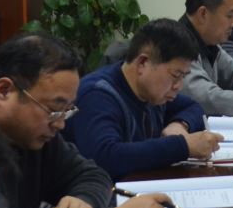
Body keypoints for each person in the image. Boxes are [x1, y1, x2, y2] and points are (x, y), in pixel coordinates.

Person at [0, 33, 170, 208]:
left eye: (67, 110)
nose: (60, 124)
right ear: (4, 91)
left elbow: (93, 175)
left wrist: (83, 200)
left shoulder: (33, 133)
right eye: (55, 109)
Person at [71, 19, 224, 179]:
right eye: (175, 75)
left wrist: (179, 124)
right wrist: (183, 146)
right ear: (142, 63)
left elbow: (193, 107)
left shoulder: (153, 93)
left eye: (183, 77)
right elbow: (105, 157)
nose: (179, 86)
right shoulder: (97, 95)